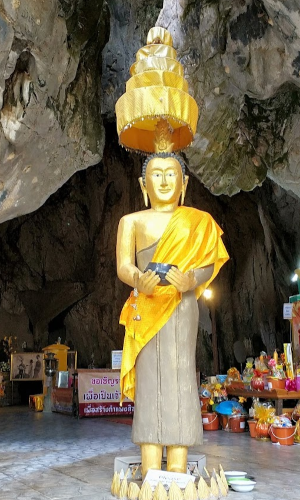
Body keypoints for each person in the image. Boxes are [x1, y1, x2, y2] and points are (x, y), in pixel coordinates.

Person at [116, 152, 228, 476]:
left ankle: (178, 469)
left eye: (171, 174)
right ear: (143, 184)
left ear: (184, 182)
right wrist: (139, 278)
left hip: (182, 306)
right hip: (147, 306)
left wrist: (192, 279)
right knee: (150, 380)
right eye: (157, 174)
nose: (164, 181)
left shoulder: (198, 220)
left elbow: (209, 263)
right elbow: (124, 265)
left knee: (180, 377)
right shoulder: (132, 222)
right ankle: (151, 467)